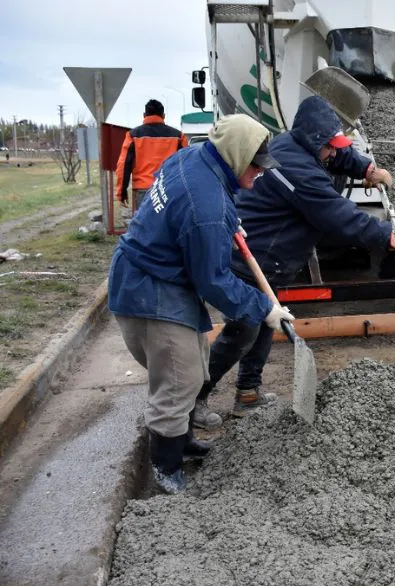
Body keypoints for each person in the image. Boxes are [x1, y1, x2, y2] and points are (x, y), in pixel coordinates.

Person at [192, 95, 395, 427]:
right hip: (252, 256)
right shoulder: (294, 166)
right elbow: (334, 213)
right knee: (244, 330)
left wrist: (366, 168)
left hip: (273, 259)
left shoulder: (304, 147)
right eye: (329, 146)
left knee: (266, 323)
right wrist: (387, 236)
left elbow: (339, 155)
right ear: (313, 141)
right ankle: (193, 399)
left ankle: (247, 394)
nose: (334, 152)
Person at [108, 114, 293, 494]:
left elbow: (190, 205)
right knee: (179, 380)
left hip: (160, 276)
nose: (260, 172)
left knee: (196, 363)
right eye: (256, 165)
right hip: (150, 289)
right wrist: (264, 308)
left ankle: (183, 441)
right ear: (236, 156)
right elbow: (214, 281)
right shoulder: (205, 207)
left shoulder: (193, 158)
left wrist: (227, 220)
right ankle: (166, 469)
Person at [114, 99, 188, 213]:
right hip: (169, 188)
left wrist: (121, 192)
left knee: (144, 223)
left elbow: (123, 165)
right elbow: (187, 164)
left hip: (143, 190)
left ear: (144, 115)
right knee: (168, 222)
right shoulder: (178, 137)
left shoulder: (133, 136)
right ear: (163, 116)